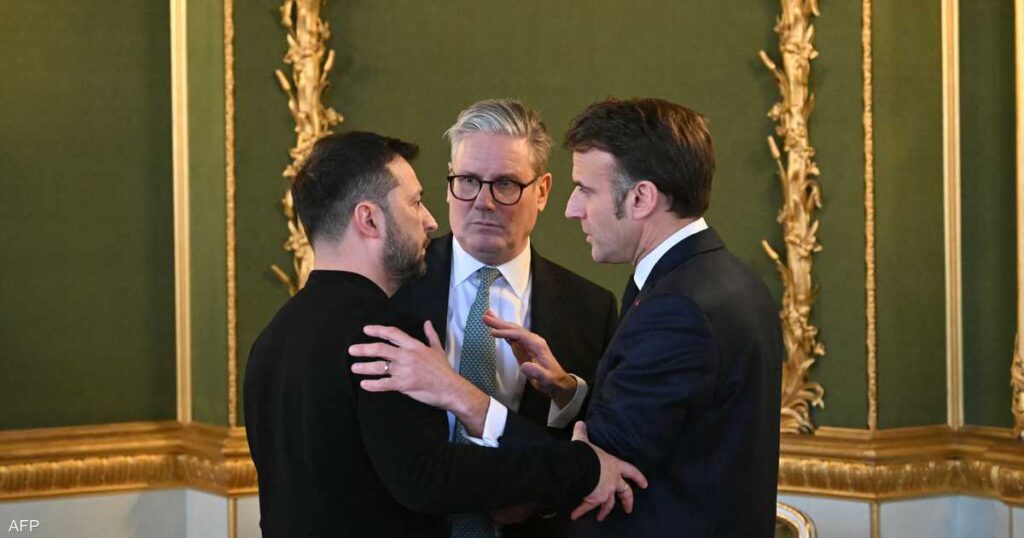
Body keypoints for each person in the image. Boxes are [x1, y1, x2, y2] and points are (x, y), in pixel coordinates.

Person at [355, 98, 783, 537]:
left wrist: (465, 399)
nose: (572, 208)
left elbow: (597, 470)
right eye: (466, 180)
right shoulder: (722, 281)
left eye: (506, 184)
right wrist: (570, 395)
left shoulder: (645, 308)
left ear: (640, 198)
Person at [242, 131, 645, 538]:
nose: (430, 220)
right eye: (415, 202)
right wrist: (582, 467)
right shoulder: (384, 334)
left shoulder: (271, 338)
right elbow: (427, 475)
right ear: (370, 219)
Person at [389, 99, 618, 538]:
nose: (484, 202)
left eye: (506, 184)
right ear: (449, 183)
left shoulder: (591, 309)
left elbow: (601, 443)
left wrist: (566, 395)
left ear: (543, 191)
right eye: (468, 181)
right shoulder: (394, 291)